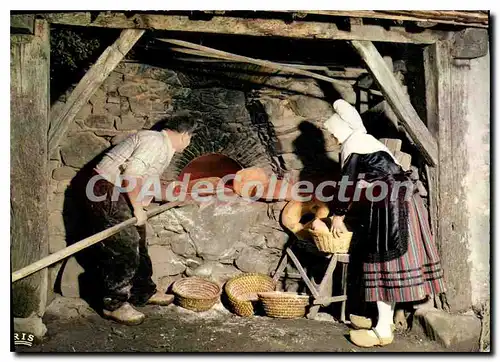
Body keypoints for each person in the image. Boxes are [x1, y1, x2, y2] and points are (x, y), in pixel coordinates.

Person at [323, 100, 446, 347]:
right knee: (386, 263)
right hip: (402, 202)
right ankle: (384, 320)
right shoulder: (368, 142)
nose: (333, 137)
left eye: (333, 132)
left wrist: (338, 214)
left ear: (341, 130)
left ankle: (382, 331)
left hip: (392, 207)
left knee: (383, 263)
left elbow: (346, 184)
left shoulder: (354, 144)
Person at [84, 114, 198, 325]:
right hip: (104, 188)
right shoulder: (155, 141)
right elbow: (131, 175)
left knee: (139, 239)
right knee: (125, 243)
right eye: (190, 138)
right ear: (184, 135)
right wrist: (137, 208)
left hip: (117, 189)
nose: (189, 142)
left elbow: (147, 184)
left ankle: (142, 292)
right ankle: (114, 304)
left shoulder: (162, 147)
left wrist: (173, 197)